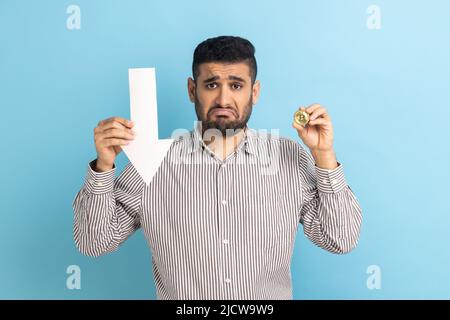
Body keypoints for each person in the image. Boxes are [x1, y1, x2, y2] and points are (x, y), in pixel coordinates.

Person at [72, 35, 362, 300]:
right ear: (191, 89)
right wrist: (104, 165)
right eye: (212, 85)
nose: (224, 99)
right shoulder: (152, 162)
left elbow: (341, 238)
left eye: (236, 85)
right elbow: (94, 242)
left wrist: (324, 155)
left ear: (255, 92)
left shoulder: (288, 156)